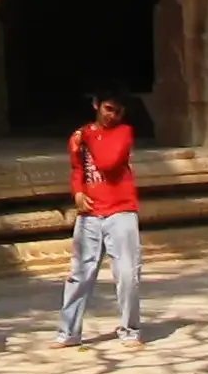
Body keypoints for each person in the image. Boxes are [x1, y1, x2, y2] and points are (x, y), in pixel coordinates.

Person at [59, 90, 145, 346]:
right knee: (79, 274)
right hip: (90, 213)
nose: (112, 115)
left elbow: (109, 162)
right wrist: (77, 193)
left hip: (121, 210)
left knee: (127, 274)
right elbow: (77, 168)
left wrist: (89, 136)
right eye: (108, 108)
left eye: (118, 111)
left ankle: (130, 330)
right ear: (96, 105)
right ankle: (68, 332)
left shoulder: (123, 132)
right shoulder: (81, 136)